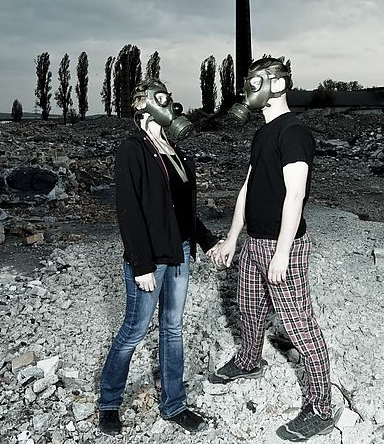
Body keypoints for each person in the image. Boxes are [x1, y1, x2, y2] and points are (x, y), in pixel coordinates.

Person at [208, 57, 338, 442]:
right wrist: (233, 237)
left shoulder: (293, 133)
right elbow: (248, 188)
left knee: (300, 326)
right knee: (248, 308)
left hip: (285, 246)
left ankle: (320, 408)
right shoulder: (261, 134)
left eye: (255, 82)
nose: (248, 89)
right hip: (254, 243)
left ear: (277, 86)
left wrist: (281, 252)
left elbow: (295, 194)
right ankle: (249, 360)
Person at [97, 79, 220, 435]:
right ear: (141, 106)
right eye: (159, 98)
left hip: (180, 252)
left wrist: (207, 241)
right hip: (151, 257)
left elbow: (184, 211)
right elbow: (129, 211)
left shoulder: (178, 152)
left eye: (168, 98)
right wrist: (142, 265)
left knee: (172, 329)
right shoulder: (132, 150)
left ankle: (174, 405)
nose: (167, 104)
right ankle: (109, 401)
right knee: (134, 331)